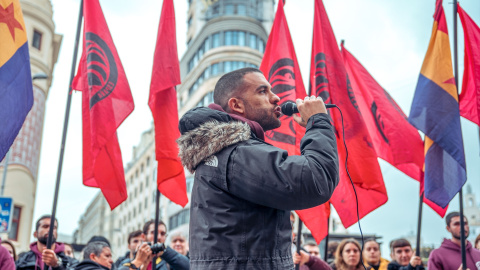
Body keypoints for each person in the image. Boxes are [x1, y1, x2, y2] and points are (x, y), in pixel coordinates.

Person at [177, 68, 339, 269]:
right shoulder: (237, 152)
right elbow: (317, 180)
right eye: (262, 91)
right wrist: (318, 122)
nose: (276, 98)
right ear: (236, 105)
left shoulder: (226, 151)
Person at [118, 220, 189, 270]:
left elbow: (189, 267)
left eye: (162, 234)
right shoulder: (129, 262)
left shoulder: (168, 262)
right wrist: (138, 262)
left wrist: (165, 251)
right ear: (143, 236)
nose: (158, 237)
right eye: (154, 233)